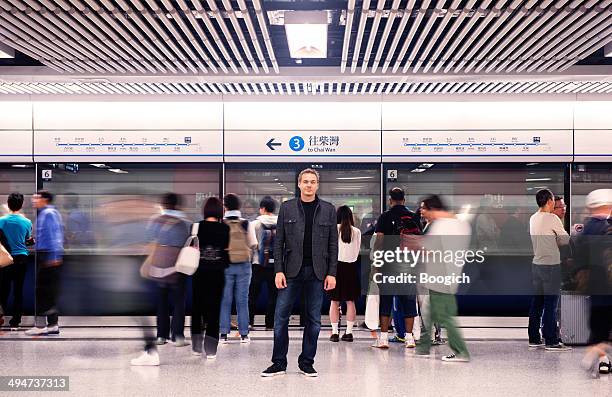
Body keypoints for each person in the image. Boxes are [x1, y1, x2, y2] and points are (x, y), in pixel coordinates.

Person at [261, 168, 337, 377]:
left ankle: (307, 362)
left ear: (317, 185)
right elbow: (278, 243)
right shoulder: (287, 208)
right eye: (305, 182)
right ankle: (278, 362)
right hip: (290, 271)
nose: (309, 185)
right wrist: (278, 270)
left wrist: (332, 273)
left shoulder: (329, 210)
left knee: (313, 319)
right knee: (280, 318)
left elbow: (333, 245)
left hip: (317, 272)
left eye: (313, 182)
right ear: (299, 184)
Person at [416, 195, 471, 362]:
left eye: (424, 208)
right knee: (431, 311)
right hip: (449, 274)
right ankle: (424, 347)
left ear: (433, 209)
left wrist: (414, 244)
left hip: (440, 276)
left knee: (445, 316)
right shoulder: (461, 224)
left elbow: (430, 250)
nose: (422, 212)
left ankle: (461, 351)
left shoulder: (441, 225)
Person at [371, 187, 422, 349]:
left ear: (390, 200)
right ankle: (409, 338)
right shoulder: (413, 216)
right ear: (404, 200)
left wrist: (376, 263)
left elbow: (379, 242)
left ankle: (384, 338)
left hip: (388, 264)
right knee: (408, 301)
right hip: (408, 265)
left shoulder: (385, 217)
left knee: (385, 301)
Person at [528, 189, 571, 351]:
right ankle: (551, 340)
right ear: (549, 201)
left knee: (537, 303)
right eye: (553, 200)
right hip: (551, 266)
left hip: (537, 265)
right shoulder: (552, 218)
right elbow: (565, 240)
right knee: (551, 303)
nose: (555, 203)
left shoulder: (533, 217)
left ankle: (534, 338)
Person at [575, 189, 612, 377]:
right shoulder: (607, 226)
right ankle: (596, 355)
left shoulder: (587, 228)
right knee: (603, 328)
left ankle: (600, 358)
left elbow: (579, 257)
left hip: (596, 285)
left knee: (598, 327)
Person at [191, 197, 229, 359]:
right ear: (220, 211)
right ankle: (211, 349)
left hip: (199, 273)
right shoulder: (224, 228)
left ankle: (196, 346)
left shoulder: (196, 227)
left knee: (197, 307)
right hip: (217, 273)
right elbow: (226, 250)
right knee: (214, 309)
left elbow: (192, 249)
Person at [25, 190, 64, 336]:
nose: (33, 201)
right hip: (45, 255)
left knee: (43, 292)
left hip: (48, 256)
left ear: (45, 199)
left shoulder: (48, 214)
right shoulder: (46, 213)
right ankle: (52, 324)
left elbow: (55, 237)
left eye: (36, 198)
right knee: (46, 292)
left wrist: (54, 257)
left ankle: (42, 326)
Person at [220, 193, 256, 343]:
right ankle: (244, 334)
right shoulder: (246, 223)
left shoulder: (221, 223)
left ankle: (223, 334)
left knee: (225, 300)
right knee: (242, 300)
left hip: (225, 265)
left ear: (225, 206)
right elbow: (253, 244)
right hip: (244, 265)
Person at [328, 205, 361, 342]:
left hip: (335, 269)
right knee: (350, 301)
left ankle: (335, 333)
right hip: (351, 268)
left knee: (334, 301)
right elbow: (358, 251)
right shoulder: (357, 231)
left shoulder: (333, 230)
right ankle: (349, 332)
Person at [0, 193, 33, 329]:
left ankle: (0, 317)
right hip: (21, 258)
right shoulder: (27, 222)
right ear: (21, 205)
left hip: (5, 258)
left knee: (3, 289)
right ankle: (15, 321)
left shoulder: (1, 220)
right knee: (18, 290)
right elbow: (27, 239)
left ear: (8, 204)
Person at [248, 196, 278, 330]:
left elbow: (252, 244)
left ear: (263, 209)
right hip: (275, 265)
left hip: (258, 264)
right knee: (274, 295)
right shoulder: (280, 223)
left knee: (253, 295)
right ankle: (270, 324)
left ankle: (250, 322)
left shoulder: (254, 224)